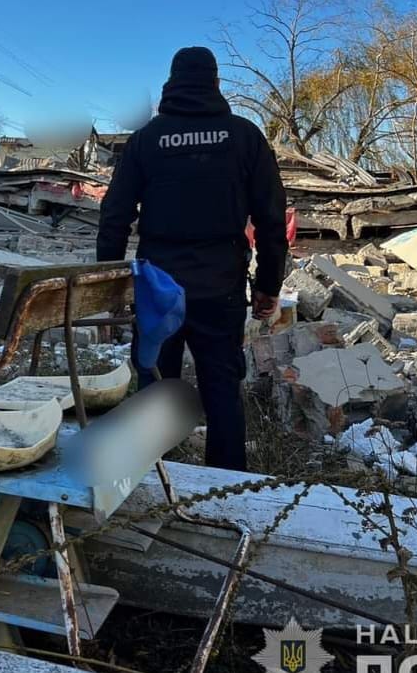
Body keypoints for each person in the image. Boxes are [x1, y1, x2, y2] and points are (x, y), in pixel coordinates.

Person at [96, 46, 288, 471]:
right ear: (216, 84)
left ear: (171, 84)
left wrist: (108, 289)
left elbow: (114, 217)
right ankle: (229, 492)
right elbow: (272, 219)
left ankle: (149, 478)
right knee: (222, 388)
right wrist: (267, 286)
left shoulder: (147, 140)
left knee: (153, 385)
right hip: (221, 287)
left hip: (158, 289)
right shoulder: (244, 137)